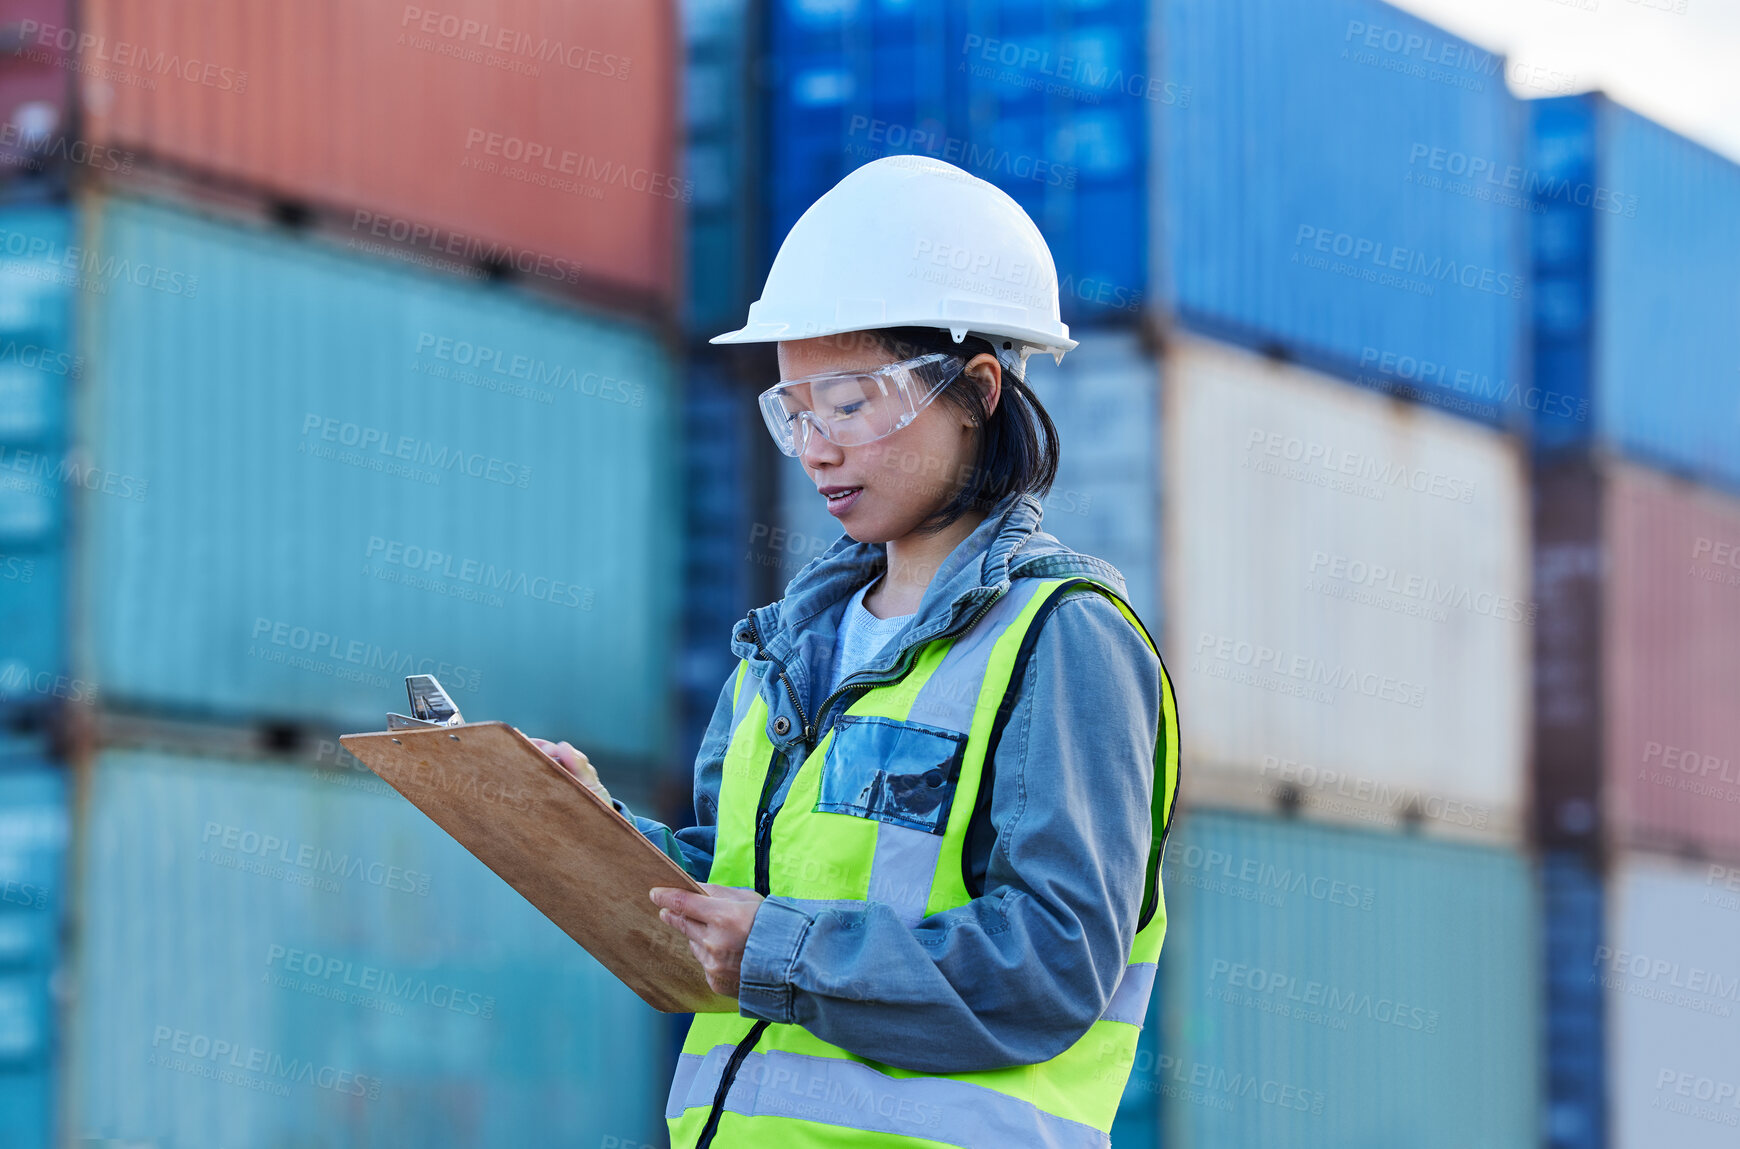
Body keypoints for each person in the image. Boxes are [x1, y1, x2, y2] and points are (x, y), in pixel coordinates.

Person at [530, 154, 1179, 1149]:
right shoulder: (785, 645)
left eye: (850, 402)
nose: (817, 447)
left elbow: (1055, 966)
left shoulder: (1064, 638)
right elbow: (741, 897)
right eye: (794, 411)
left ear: (976, 390)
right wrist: (594, 836)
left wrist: (780, 951)